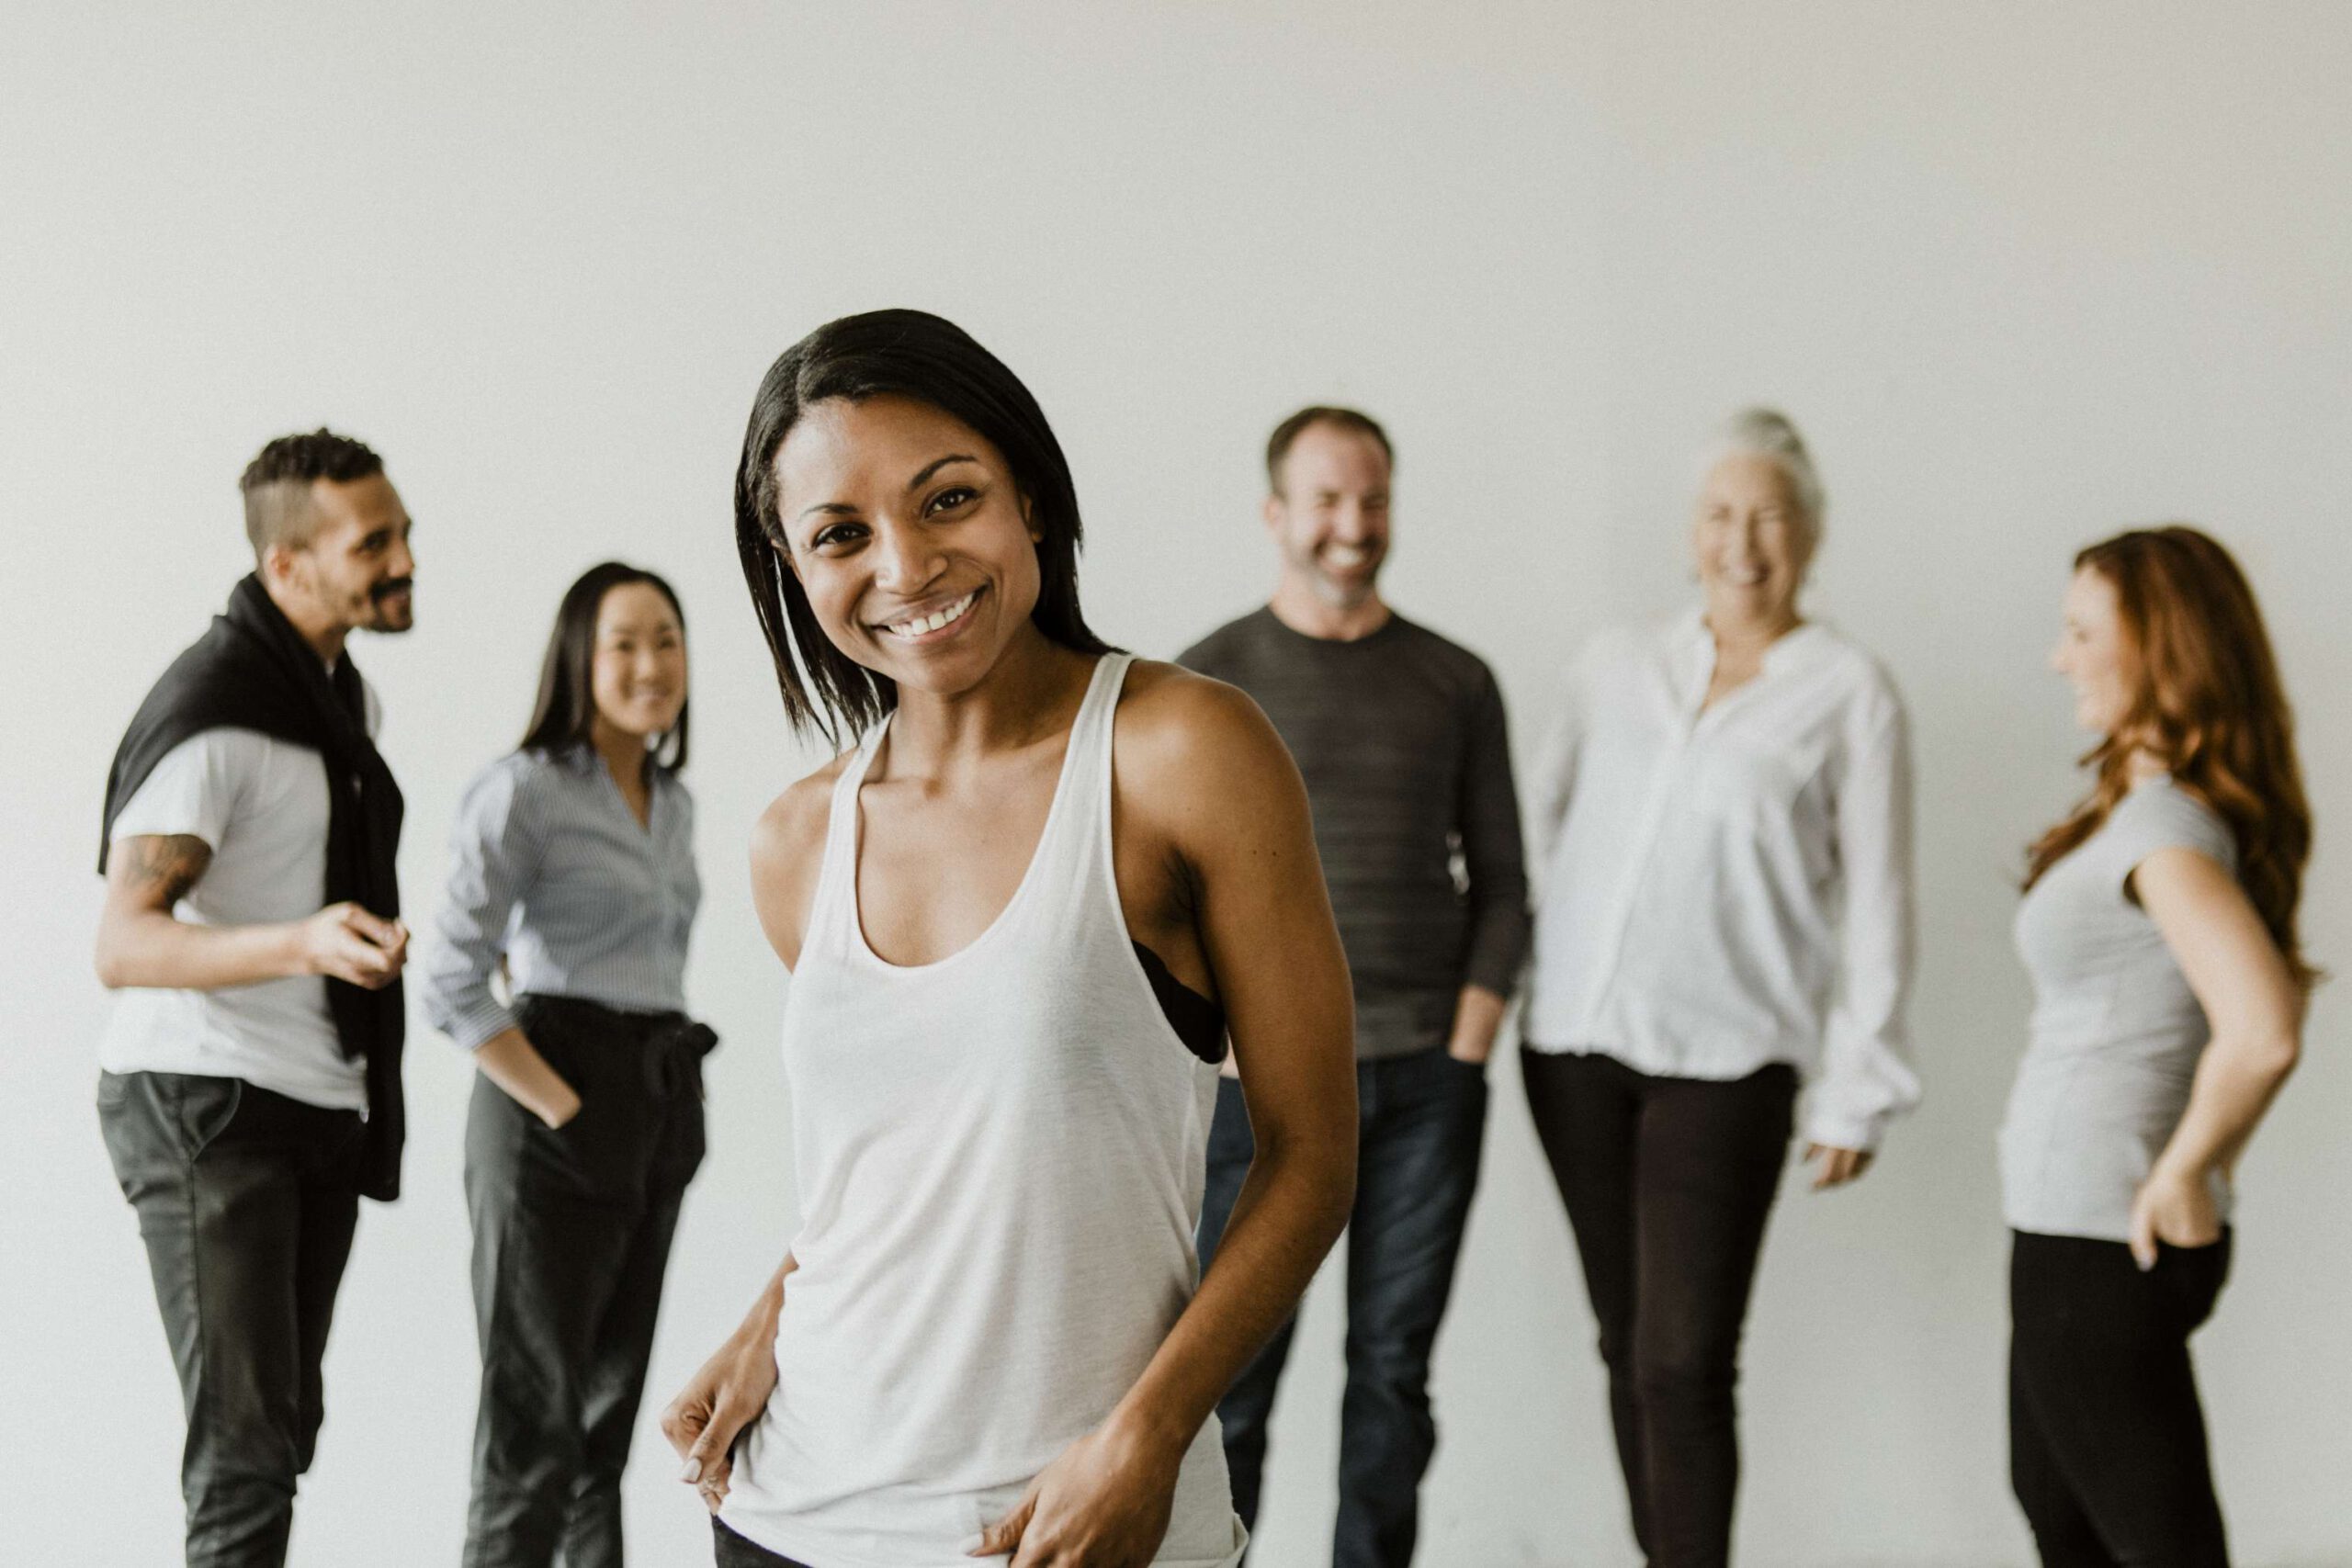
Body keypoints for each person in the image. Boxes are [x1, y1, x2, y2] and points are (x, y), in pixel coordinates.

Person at [658, 309, 1359, 1568]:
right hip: (791, 1511)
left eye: (947, 499)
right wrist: (771, 1311)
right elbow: (904, 1169)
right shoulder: (796, 841)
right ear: (791, 565)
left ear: (1030, 496)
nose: (906, 564)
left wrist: (1145, 1438)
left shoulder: (1183, 753)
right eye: (841, 534)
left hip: (1072, 1524)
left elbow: (1312, 1152)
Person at [1520, 408, 1919, 1568]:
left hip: (1730, 1062)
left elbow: (1881, 905)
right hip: (1575, 1050)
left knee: (1682, 1362)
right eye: (1720, 514)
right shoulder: (1615, 662)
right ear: (1690, 531)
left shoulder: (1850, 691)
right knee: (1623, 1343)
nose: (1743, 541)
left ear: (1812, 534)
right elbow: (1540, 826)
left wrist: (1859, 1090)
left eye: (1772, 516)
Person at [1177, 406, 1528, 1567]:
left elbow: (1506, 888)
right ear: (1275, 514)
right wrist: (1215, 1049)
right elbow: (1159, 895)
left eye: (1371, 499)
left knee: (1390, 1377)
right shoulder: (1208, 682)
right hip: (1257, 1094)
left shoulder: (1455, 680)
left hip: (1427, 1083)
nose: (1353, 525)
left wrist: (1467, 1049)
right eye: (1326, 500)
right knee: (1231, 1379)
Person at [93, 428, 416, 1568]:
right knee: (242, 1458)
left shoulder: (339, 703)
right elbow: (125, 944)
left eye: (402, 531)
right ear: (287, 567)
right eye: (373, 542)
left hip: (309, 1097)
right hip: (206, 1104)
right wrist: (306, 942)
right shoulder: (219, 713)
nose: (405, 558)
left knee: (281, 1436)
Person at [2001, 526, 2312, 1568]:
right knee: (2064, 1517)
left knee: (2156, 1545)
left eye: (2081, 631)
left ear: (2159, 649)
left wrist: (2186, 1168)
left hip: (2101, 1233)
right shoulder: (2148, 818)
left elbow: (2264, 1028)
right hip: (2072, 1225)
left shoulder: (2161, 834)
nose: (2059, 656)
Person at [420, 561, 713, 1568]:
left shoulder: (672, 803)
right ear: (579, 658)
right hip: (555, 1102)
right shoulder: (525, 790)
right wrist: (566, 1111)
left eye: (665, 640)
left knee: (604, 1429)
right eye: (624, 642)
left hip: (658, 1098)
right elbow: (448, 981)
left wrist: (644, 1120)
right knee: (532, 1430)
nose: (649, 664)